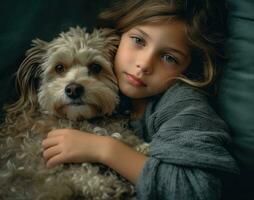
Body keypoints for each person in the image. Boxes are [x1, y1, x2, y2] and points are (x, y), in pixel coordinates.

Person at [42, 0, 239, 199]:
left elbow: (196, 191)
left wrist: (103, 149)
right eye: (138, 40)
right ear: (118, 36)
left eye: (169, 57)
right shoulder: (107, 90)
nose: (144, 64)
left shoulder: (184, 104)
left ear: (188, 68)